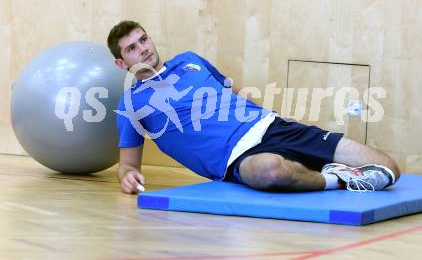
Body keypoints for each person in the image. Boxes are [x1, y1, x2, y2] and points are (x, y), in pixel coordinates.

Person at [107, 20, 401, 195]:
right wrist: (127, 177)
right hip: (236, 159)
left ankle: (323, 164)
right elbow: (128, 165)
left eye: (143, 39)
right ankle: (337, 179)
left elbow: (230, 88)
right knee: (270, 171)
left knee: (389, 169)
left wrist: (264, 115)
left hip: (272, 127)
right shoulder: (132, 103)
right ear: (122, 63)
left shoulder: (190, 59)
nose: (143, 48)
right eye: (131, 48)